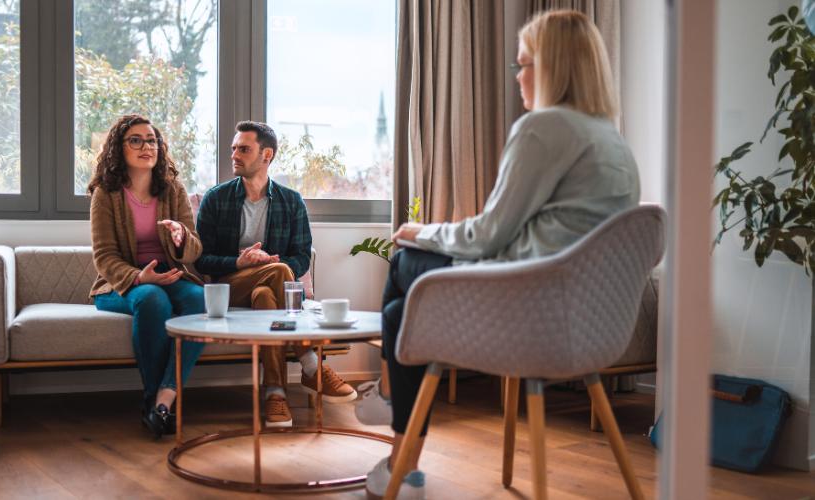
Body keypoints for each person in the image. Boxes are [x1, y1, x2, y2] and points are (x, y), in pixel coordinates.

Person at [360, 10, 641, 498]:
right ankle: (400, 447)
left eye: (524, 64)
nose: (517, 78)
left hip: (530, 311)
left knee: (404, 262)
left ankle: (397, 428)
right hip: (588, 323)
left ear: (553, 67)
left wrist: (424, 231)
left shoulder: (544, 128)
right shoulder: (612, 140)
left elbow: (489, 235)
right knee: (399, 311)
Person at [195, 121, 357, 428]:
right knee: (279, 271)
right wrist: (240, 262)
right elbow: (202, 260)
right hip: (231, 285)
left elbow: (301, 256)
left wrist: (270, 266)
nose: (235, 155)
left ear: (266, 155)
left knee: (266, 294)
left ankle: (276, 394)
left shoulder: (290, 200)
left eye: (244, 149)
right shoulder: (216, 199)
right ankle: (311, 365)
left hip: (267, 293)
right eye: (234, 149)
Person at [88, 114, 206, 439]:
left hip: (170, 277)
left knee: (199, 299)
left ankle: (165, 397)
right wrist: (141, 278)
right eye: (136, 140)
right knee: (153, 301)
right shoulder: (106, 194)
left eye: (151, 140)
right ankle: (154, 402)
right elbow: (105, 257)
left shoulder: (173, 190)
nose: (146, 146)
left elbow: (195, 249)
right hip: (122, 284)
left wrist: (182, 237)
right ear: (119, 149)